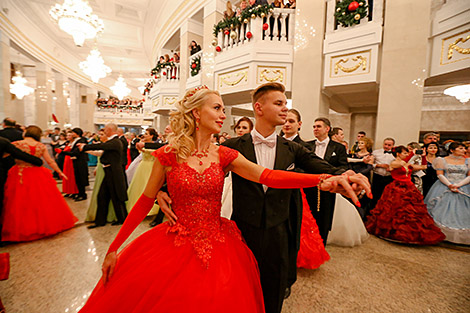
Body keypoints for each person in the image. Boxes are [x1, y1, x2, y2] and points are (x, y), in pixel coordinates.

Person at [79, 86, 369, 313]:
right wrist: (115, 247)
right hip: (174, 244)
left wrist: (321, 180)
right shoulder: (168, 154)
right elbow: (144, 200)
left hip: (219, 245)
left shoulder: (225, 154)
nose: (223, 115)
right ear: (196, 113)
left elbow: (268, 176)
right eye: (217, 108)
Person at [1, 126, 78, 242]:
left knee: (19, 201)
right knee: (40, 201)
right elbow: (50, 161)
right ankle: (42, 226)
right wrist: (59, 172)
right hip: (37, 173)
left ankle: (23, 228)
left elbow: (5, 155)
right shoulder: (40, 146)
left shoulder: (17, 144)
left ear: (26, 132)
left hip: (20, 172)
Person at [281, 109, 330, 272]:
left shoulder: (306, 146)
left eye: (291, 121)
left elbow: (311, 169)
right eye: (285, 121)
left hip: (297, 192)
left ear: (299, 124)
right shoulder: (273, 142)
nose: (287, 124)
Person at [366, 146, 445, 244]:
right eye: (404, 153)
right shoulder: (394, 163)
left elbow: (424, 166)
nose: (406, 155)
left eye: (407, 153)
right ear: (398, 154)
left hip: (409, 188)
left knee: (411, 211)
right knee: (395, 210)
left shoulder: (407, 164)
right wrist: (412, 154)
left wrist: (423, 157)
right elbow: (402, 163)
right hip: (397, 188)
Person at [304, 117, 349, 245]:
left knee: (324, 218)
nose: (315, 129)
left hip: (328, 188)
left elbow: (344, 166)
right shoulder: (307, 145)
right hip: (309, 185)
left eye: (318, 126)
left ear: (327, 129)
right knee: (308, 216)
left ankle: (321, 245)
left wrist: (330, 176)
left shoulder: (338, 147)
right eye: (314, 127)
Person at [80, 124, 128, 228]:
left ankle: (122, 219)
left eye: (105, 129)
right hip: (109, 172)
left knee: (116, 197)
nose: (104, 131)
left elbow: (102, 146)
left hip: (113, 173)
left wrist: (85, 147)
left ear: (109, 130)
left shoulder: (115, 141)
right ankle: (101, 221)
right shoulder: (113, 141)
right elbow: (102, 148)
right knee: (103, 196)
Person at [424, 142, 470, 245]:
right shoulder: (442, 160)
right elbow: (440, 174)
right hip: (444, 185)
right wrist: (450, 185)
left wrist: (459, 185)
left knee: (463, 212)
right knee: (441, 210)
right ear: (452, 150)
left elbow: (469, 175)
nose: (463, 151)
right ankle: (441, 234)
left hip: (463, 186)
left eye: (464, 149)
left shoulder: (468, 161)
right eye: (460, 149)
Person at [126, 128, 160, 216]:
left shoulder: (155, 145)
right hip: (142, 167)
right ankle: (137, 207)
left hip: (151, 167)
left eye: (147, 133)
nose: (144, 135)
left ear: (152, 136)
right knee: (138, 185)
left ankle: (150, 208)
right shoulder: (142, 143)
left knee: (148, 186)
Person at [85, 130, 117, 224]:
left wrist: (86, 149)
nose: (100, 136)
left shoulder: (108, 145)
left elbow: (99, 153)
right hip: (100, 167)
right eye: (100, 135)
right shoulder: (103, 144)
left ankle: (108, 215)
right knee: (99, 191)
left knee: (104, 192)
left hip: (105, 170)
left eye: (103, 134)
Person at [368, 138, 396, 216]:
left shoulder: (395, 154)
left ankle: (384, 214)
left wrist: (392, 168)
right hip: (377, 177)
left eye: (389, 145)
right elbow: (370, 164)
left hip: (389, 178)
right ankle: (372, 213)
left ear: (393, 146)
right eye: (385, 144)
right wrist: (379, 165)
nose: (386, 146)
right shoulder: (376, 152)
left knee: (387, 197)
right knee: (375, 195)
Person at [61, 128, 89, 201]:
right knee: (77, 178)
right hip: (76, 161)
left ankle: (82, 194)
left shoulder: (81, 140)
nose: (72, 134)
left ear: (77, 133)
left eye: (73, 133)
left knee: (81, 178)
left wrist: (62, 152)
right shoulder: (76, 140)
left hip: (80, 161)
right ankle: (79, 193)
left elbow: (76, 152)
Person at [58, 132, 78, 198]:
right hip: (66, 160)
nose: (68, 136)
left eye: (69, 135)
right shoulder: (67, 143)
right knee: (66, 175)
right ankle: (68, 191)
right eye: (67, 135)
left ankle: (73, 191)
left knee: (71, 176)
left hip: (70, 160)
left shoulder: (73, 144)